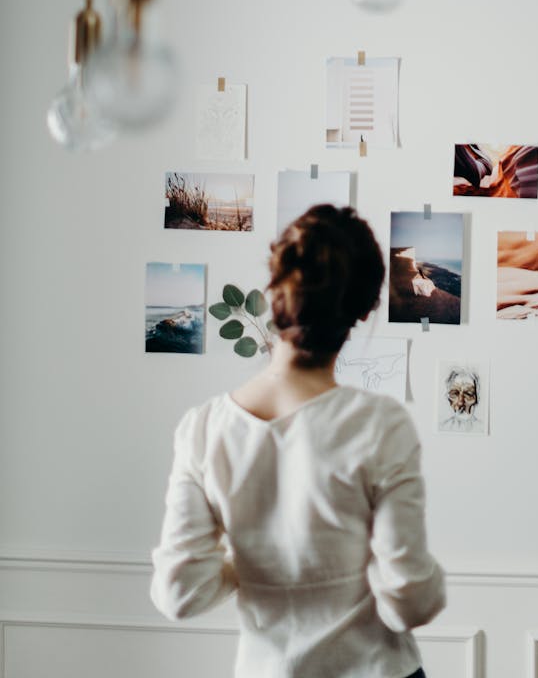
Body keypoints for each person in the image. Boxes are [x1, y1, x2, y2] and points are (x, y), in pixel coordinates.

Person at [151, 204, 445, 678]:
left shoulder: (203, 428)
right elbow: (408, 601)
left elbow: (180, 593)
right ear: (367, 307)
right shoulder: (379, 425)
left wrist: (244, 565)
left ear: (275, 290)